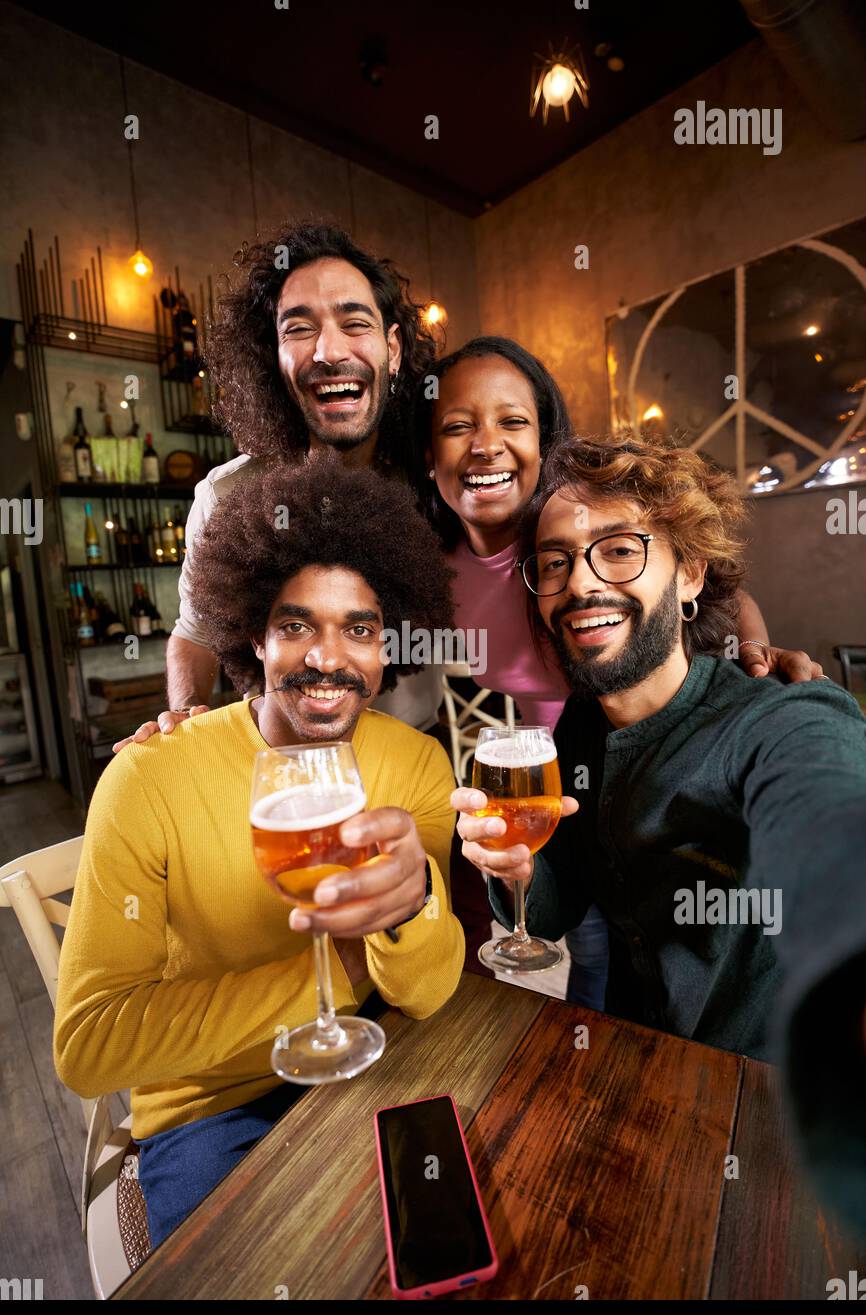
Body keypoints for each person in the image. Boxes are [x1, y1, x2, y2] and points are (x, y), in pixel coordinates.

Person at [452, 434, 866, 1237]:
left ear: (691, 573)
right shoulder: (574, 730)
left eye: (618, 550)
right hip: (638, 1089)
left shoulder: (776, 715)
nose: (582, 585)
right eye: (557, 562)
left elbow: (825, 815)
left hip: (774, 1125)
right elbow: (558, 905)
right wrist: (511, 872)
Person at [54, 462, 465, 1248]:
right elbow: (89, 1046)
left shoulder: (413, 763)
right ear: (252, 633)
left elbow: (427, 991)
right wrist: (345, 968)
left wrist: (414, 908)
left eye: (361, 628)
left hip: (378, 1057)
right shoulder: (148, 776)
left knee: (453, 1242)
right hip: (209, 1111)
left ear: (388, 647)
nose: (326, 658)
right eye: (296, 624)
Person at [413, 337, 824, 1002]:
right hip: (571, 765)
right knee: (603, 947)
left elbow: (818, 781)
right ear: (429, 459)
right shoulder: (429, 570)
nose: (484, 443)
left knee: (685, 942)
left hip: (664, 735)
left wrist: (756, 659)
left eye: (512, 421)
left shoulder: (564, 524)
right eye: (458, 426)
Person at [112, 221, 443, 751]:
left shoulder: (436, 480)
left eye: (354, 322)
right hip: (282, 760)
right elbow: (194, 636)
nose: (328, 351)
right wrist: (182, 717)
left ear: (393, 348)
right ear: (275, 359)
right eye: (299, 328)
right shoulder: (227, 497)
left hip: (414, 752)